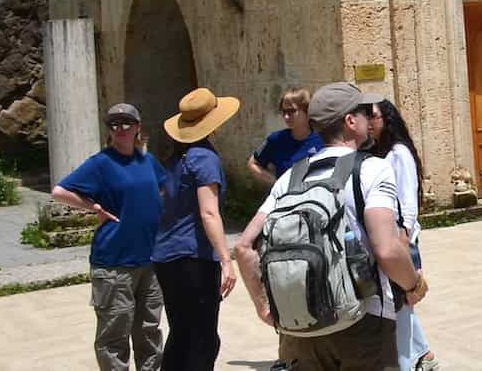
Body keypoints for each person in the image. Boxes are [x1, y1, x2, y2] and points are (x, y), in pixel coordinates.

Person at [235, 83, 428, 370]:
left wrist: (264, 307)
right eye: (364, 113)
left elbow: (243, 247)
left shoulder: (289, 178)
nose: (368, 119)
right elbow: (386, 250)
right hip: (363, 322)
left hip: (300, 330)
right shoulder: (372, 169)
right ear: (351, 121)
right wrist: (414, 284)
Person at [51, 103, 168, 371]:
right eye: (114, 124)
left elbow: (163, 190)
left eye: (127, 123)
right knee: (114, 334)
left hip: (149, 261)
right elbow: (59, 191)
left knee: (149, 331)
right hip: (114, 263)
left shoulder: (147, 160)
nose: (120, 129)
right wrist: (94, 207)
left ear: (138, 127)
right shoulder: (100, 164)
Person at [153, 88, 240, 370]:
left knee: (181, 334)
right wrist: (226, 260)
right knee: (202, 339)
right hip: (195, 258)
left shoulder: (175, 161)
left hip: (166, 257)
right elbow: (209, 212)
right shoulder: (204, 158)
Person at [369, 100, 438, 371]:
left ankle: (406, 363)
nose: (370, 122)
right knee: (398, 301)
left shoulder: (399, 153)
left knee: (401, 301)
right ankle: (424, 355)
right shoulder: (380, 152)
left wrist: (403, 240)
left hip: (401, 238)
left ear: (386, 119)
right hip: (390, 237)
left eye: (373, 116)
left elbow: (408, 202)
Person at [247, 87, 324, 186]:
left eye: (291, 111)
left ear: (307, 111)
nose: (286, 117)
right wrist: (277, 183)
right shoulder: (276, 139)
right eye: (284, 112)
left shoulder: (323, 139)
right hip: (285, 199)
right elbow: (253, 164)